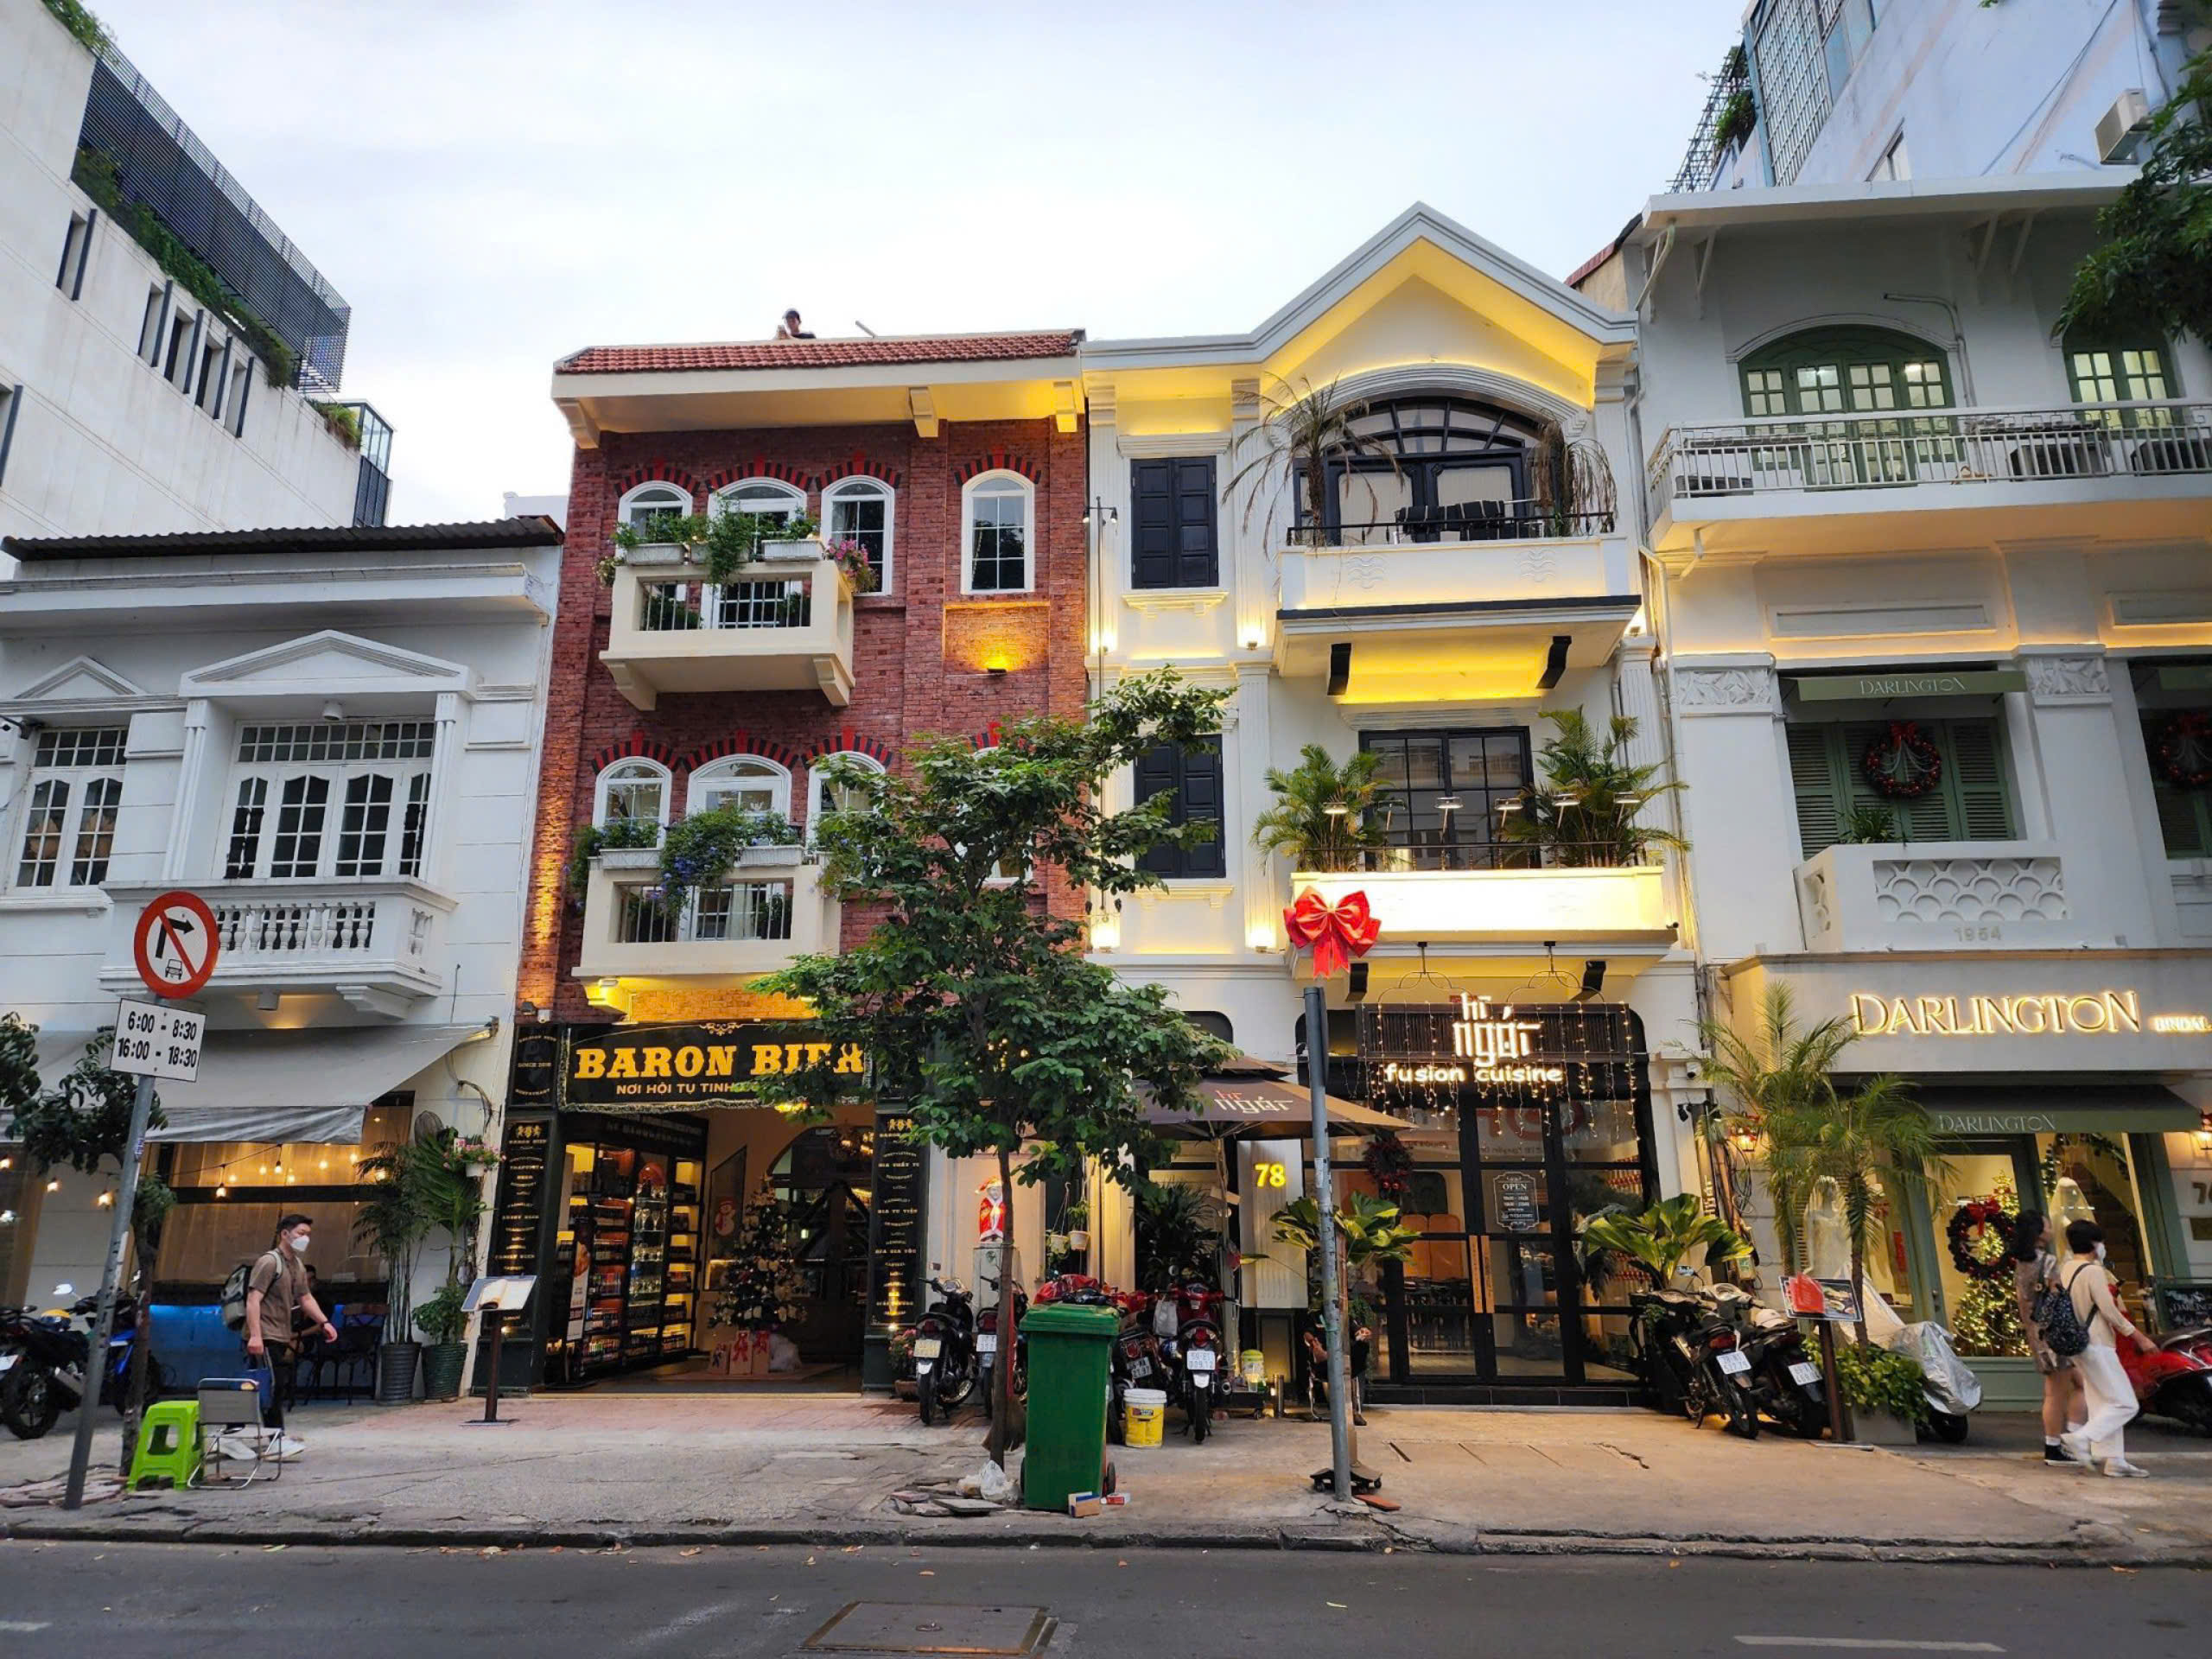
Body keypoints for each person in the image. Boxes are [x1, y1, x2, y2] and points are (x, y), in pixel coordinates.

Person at [2056, 1219, 2157, 1478]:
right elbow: (2109, 1310)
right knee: (2126, 1403)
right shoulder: (2092, 1271)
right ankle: (2082, 1438)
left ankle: (2115, 1460)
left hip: (2077, 1343)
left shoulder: (2066, 1269)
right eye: (2101, 1242)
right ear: (2094, 1244)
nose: (2103, 1247)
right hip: (2097, 1342)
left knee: (2103, 1403)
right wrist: (2139, 1337)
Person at [242, 1213, 336, 1456]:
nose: (305, 1239)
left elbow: (305, 1298)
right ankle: (274, 1438)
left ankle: (241, 1431)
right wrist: (255, 1336)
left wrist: (324, 1322)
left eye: (308, 1235)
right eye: (301, 1233)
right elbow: (253, 1300)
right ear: (285, 1234)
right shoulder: (269, 1262)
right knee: (270, 1387)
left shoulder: (296, 1265)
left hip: (280, 1335)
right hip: (265, 1335)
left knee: (268, 1387)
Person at [2009, 1210, 2086, 1464]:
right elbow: (2059, 1297)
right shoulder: (2048, 1262)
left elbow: (2023, 1302)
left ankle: (2070, 1441)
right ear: (2038, 1233)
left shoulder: (2022, 1264)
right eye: (2047, 1226)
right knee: (2057, 1392)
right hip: (2055, 1334)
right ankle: (2058, 1445)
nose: (2052, 1230)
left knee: (2077, 1384)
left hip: (2038, 1333)